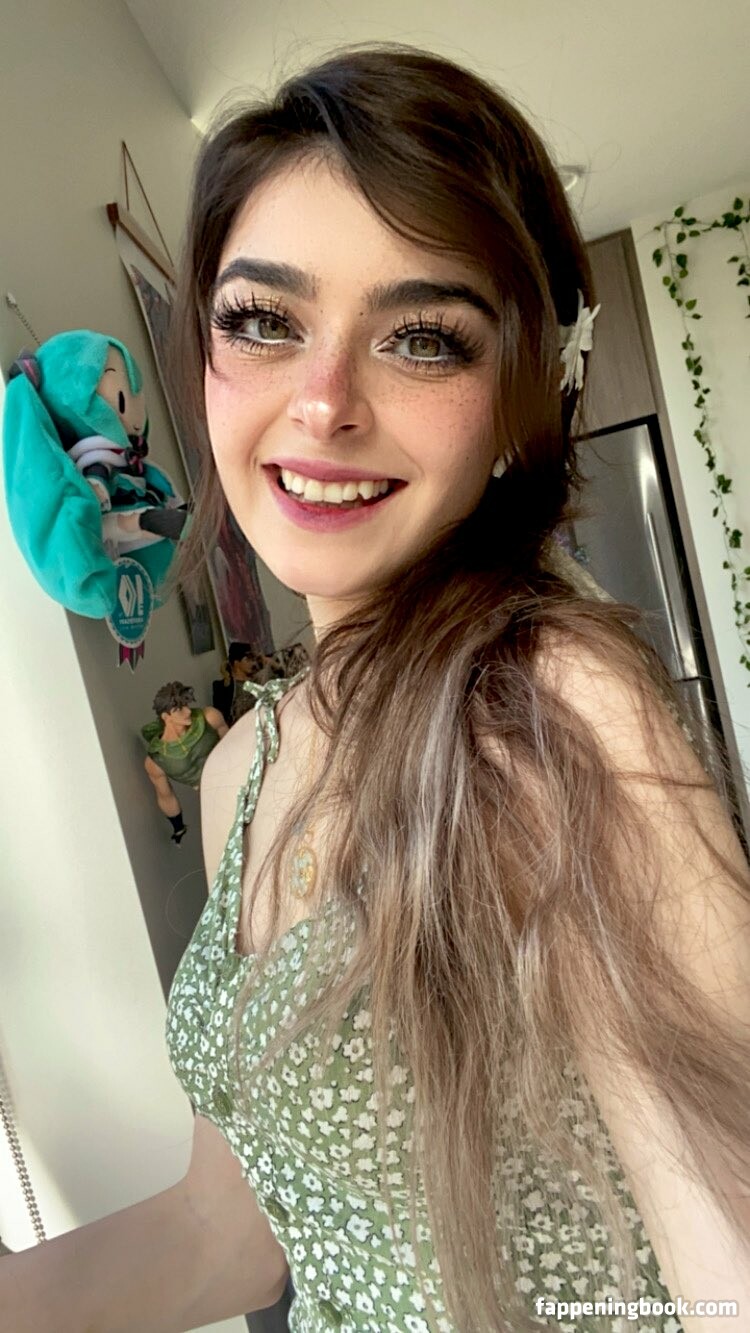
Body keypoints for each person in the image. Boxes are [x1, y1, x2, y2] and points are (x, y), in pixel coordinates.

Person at [3, 44, 750, 1333]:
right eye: (263, 320)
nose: (325, 402)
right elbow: (222, 1236)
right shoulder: (239, 770)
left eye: (421, 338)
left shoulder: (549, 708)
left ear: (517, 398)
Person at [142, 682, 228, 842]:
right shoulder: (156, 761)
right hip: (213, 797)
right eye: (179, 709)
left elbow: (233, 742)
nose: (187, 711)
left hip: (237, 774)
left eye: (186, 704)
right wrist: (178, 826)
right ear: (166, 717)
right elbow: (166, 796)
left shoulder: (209, 717)